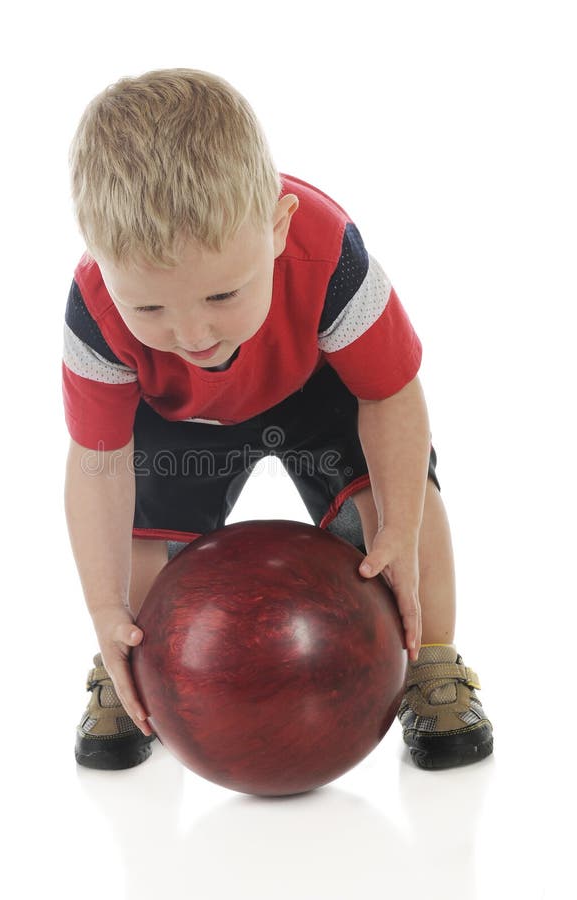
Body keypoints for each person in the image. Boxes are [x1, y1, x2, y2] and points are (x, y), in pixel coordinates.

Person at [62, 68, 493, 774]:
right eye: (151, 309)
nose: (193, 332)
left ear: (278, 229)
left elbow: (392, 395)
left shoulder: (330, 258)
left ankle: (434, 666)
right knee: (143, 538)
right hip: (180, 418)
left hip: (315, 390)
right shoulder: (96, 316)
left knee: (394, 505)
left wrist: (401, 531)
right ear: (103, 267)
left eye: (223, 293)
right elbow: (97, 461)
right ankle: (129, 673)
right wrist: (108, 610)